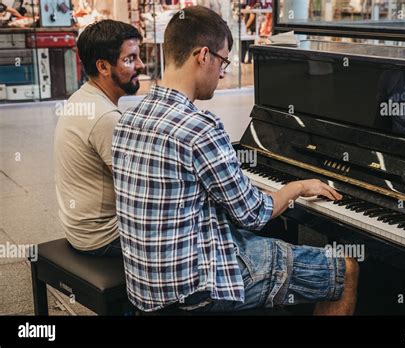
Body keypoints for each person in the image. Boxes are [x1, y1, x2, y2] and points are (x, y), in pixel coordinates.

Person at [112, 5, 359, 314]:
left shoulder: (129, 117)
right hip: (193, 290)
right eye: (223, 61)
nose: (222, 71)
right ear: (204, 56)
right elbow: (254, 213)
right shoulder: (200, 128)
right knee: (345, 268)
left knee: (263, 240)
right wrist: (296, 187)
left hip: (145, 285)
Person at [54, 20, 144, 256]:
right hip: (103, 238)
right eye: (130, 59)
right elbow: (140, 189)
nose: (141, 65)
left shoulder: (82, 97)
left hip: (79, 230)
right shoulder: (105, 117)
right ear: (103, 67)